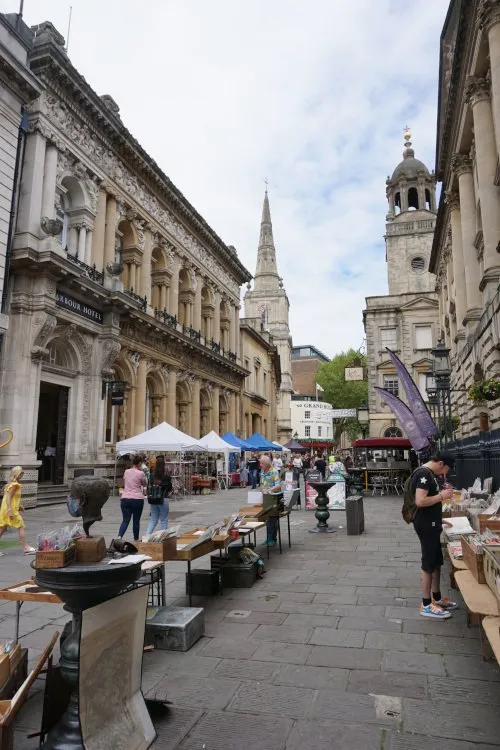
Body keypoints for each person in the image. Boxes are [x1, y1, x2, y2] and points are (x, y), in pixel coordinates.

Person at [412, 451, 457, 619]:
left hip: (432, 523)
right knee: (429, 563)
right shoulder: (424, 474)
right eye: (445, 469)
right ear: (440, 464)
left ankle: (436, 598)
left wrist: (440, 520)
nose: (444, 473)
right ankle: (426, 604)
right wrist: (442, 496)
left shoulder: (429, 474)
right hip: (425, 525)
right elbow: (420, 501)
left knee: (437, 561)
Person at [0, 467, 35, 554]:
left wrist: (19, 506)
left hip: (7, 509)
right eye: (21, 473)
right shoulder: (15, 485)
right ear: (17, 474)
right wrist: (9, 510)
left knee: (2, 529)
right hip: (10, 510)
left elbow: (12, 498)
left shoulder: (11, 484)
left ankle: (26, 547)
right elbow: (8, 498)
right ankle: (26, 548)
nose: (22, 475)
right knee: (21, 526)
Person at [118, 454, 147, 541]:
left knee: (125, 520)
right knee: (136, 520)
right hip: (137, 499)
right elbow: (144, 484)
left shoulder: (126, 471)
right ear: (139, 463)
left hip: (125, 498)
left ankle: (119, 536)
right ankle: (135, 539)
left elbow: (124, 482)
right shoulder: (141, 473)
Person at [259, 455, 282, 547]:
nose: (260, 465)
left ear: (267, 463)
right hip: (265, 498)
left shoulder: (274, 472)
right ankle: (268, 538)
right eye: (260, 463)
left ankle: (272, 539)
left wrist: (269, 490)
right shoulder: (262, 472)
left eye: (262, 463)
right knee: (268, 519)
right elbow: (262, 483)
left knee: (272, 518)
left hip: (273, 498)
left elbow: (278, 485)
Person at [146, 456, 172, 535]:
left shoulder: (151, 475)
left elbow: (149, 485)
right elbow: (169, 488)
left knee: (153, 519)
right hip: (163, 498)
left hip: (153, 498)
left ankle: (147, 536)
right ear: (164, 465)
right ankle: (163, 537)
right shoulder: (166, 475)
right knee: (164, 519)